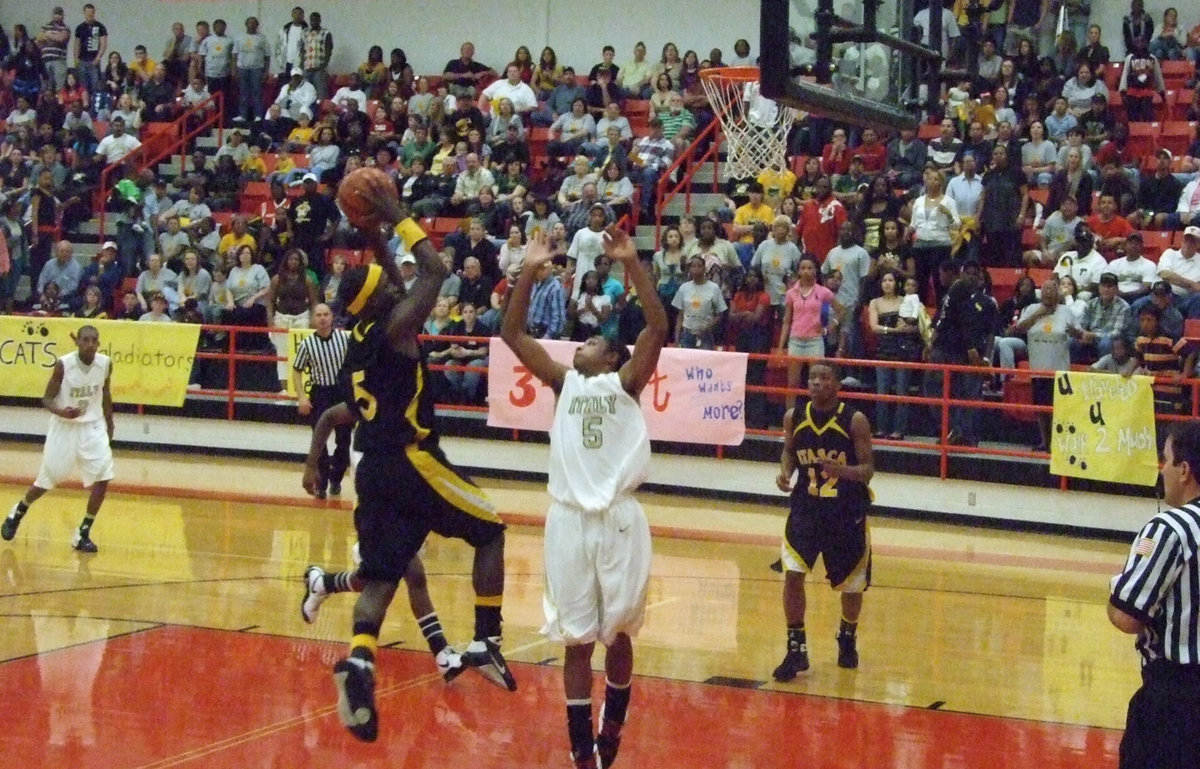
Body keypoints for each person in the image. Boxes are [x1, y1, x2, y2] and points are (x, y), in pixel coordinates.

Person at [300, 200, 515, 742]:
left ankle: (360, 664)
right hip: (411, 459)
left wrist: (373, 236)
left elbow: (397, 283)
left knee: (382, 577)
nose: (400, 283)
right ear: (386, 299)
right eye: (390, 283)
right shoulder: (398, 325)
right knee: (490, 531)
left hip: (373, 469)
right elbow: (435, 272)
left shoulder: (360, 337)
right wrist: (394, 211)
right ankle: (487, 639)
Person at [500, 225, 667, 769]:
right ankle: (580, 749)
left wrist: (630, 264)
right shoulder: (561, 382)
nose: (581, 344)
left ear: (612, 356)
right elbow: (511, 332)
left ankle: (612, 724)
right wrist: (529, 268)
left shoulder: (625, 383)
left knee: (615, 634)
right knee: (575, 637)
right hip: (568, 519)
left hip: (618, 519)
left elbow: (659, 326)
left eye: (592, 342)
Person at [773, 360, 874, 680]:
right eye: (813, 378)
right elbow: (789, 451)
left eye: (824, 377)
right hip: (805, 510)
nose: (816, 383)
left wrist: (840, 471)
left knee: (852, 585)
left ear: (837, 384)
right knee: (793, 573)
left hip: (845, 514)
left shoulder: (854, 420)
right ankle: (796, 648)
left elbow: (868, 471)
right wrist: (785, 472)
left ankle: (847, 635)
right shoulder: (795, 416)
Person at [1108, 420, 1200, 769]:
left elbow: (1128, 616)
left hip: (1176, 698)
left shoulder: (1169, 528)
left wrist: (1115, 594)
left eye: (1166, 461)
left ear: (1185, 470)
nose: (1162, 471)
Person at [3, 325, 113, 553]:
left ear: (98, 343)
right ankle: (19, 511)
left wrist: (110, 424)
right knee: (47, 479)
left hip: (92, 426)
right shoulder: (63, 364)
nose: (90, 344)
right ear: (78, 342)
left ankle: (82, 532)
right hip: (64, 426)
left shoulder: (105, 364)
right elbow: (46, 398)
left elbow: (106, 393)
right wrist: (62, 412)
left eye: (94, 340)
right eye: (86, 340)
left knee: (103, 476)